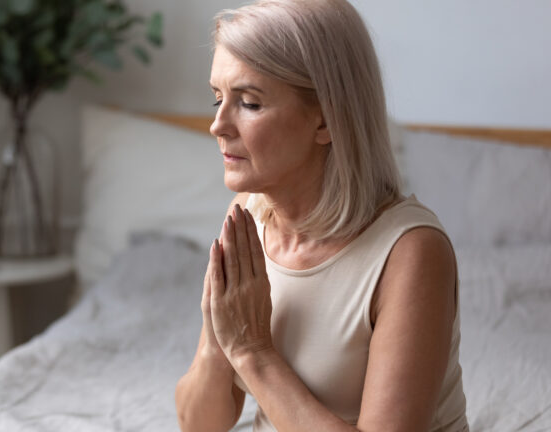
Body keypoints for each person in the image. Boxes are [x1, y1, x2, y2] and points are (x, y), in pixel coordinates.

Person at [174, 0, 469, 431]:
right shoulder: (247, 215)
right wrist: (217, 339)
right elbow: (200, 425)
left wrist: (253, 351)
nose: (217, 125)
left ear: (327, 120)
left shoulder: (411, 253)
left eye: (250, 103)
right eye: (218, 97)